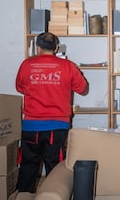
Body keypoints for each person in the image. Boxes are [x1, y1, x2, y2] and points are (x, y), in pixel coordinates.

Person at [15, 32, 89, 193]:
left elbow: (19, 87)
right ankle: (52, 195)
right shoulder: (68, 66)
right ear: (56, 48)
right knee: (55, 169)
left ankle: (23, 196)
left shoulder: (26, 65)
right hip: (57, 127)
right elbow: (83, 89)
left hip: (31, 126)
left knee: (28, 165)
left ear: (38, 47)